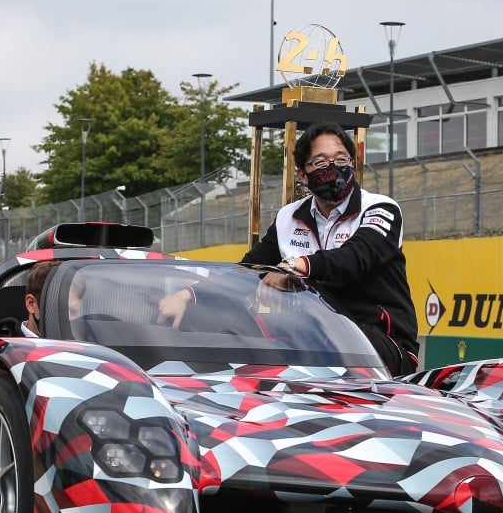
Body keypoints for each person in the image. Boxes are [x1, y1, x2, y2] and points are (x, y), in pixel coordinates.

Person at [164, 123, 419, 376]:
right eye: (320, 162)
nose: (332, 168)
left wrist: (294, 268)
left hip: (380, 345)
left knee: (321, 341)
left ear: (352, 163)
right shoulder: (289, 216)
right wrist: (191, 295)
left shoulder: (381, 209)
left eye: (341, 159)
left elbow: (355, 258)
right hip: (309, 338)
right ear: (302, 175)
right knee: (225, 334)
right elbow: (248, 271)